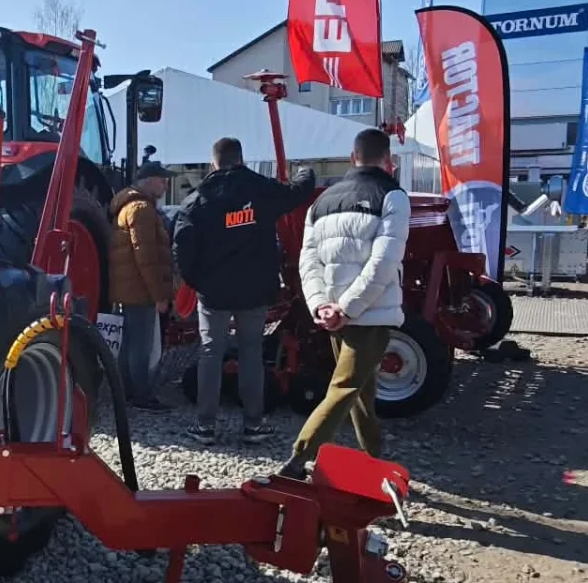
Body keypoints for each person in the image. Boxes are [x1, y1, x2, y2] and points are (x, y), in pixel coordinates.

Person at [282, 126, 411, 475]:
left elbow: (308, 262)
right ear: (388, 160)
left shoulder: (321, 203)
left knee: (361, 388)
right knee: (346, 387)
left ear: (353, 158)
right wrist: (349, 308)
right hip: (369, 315)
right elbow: (385, 263)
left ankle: (374, 456)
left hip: (333, 315)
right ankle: (299, 458)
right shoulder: (393, 197)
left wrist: (321, 305)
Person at [173, 138, 315, 444]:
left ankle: (205, 426)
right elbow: (297, 192)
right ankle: (253, 425)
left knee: (210, 353)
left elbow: (182, 248)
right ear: (241, 159)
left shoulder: (198, 200)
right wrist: (305, 171)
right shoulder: (261, 189)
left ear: (213, 162)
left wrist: (198, 282)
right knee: (251, 353)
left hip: (213, 294)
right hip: (255, 290)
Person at [108, 161, 173, 408]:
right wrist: (159, 295)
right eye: (162, 179)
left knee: (128, 345)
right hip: (140, 291)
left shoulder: (128, 206)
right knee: (140, 346)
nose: (166, 184)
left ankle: (125, 391)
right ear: (148, 181)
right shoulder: (142, 209)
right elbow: (146, 257)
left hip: (128, 289)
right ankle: (142, 395)